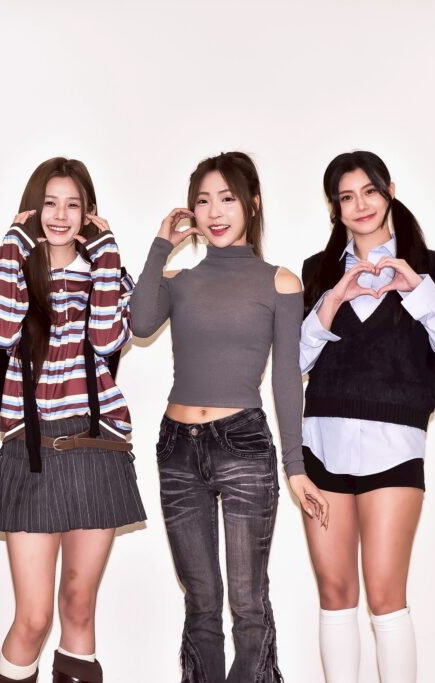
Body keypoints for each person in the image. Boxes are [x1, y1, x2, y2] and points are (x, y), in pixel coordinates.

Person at [130, 152, 328, 682]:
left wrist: (296, 467)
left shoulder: (280, 282)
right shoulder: (178, 279)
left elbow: (285, 378)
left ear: (252, 205)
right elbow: (140, 323)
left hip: (243, 445)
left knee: (247, 600)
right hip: (177, 448)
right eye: (203, 201)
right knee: (200, 601)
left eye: (227, 199)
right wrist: (160, 245)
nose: (214, 212)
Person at [299, 150, 435, 682]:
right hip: (322, 447)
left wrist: (416, 290)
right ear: (335, 208)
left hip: (395, 450)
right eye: (347, 197)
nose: (361, 205)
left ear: (389, 190)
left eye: (370, 191)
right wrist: (332, 301)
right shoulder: (317, 271)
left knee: (384, 596)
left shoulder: (432, 269)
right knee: (335, 594)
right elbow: (293, 364)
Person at [0, 157, 145, 683]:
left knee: (78, 605)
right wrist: (13, 244)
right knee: (33, 618)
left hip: (96, 443)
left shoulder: (109, 276)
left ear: (89, 214)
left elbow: (106, 339)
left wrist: (108, 253)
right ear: (31, 210)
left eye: (74, 204)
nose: (61, 215)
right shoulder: (8, 275)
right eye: (49, 203)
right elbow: (1, 331)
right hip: (30, 448)